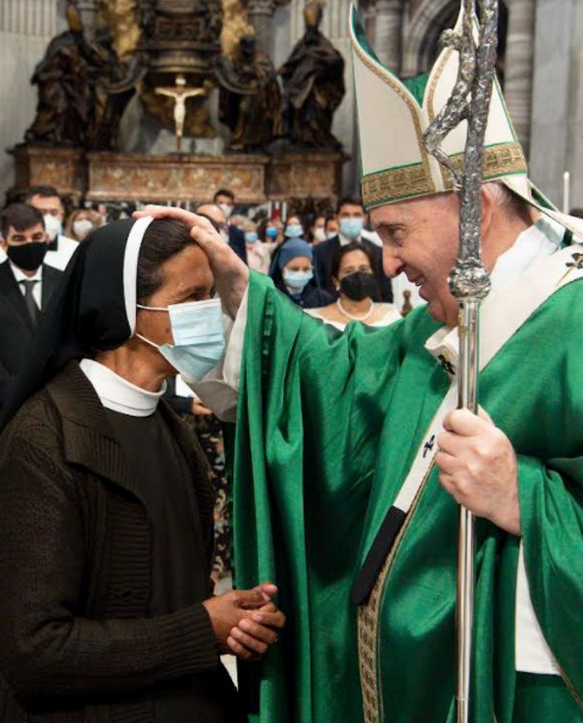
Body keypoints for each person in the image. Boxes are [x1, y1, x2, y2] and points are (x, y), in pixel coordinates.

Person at [134, 4, 583, 720]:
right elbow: (336, 377)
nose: (391, 262)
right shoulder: (440, 326)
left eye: (395, 231)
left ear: (474, 207)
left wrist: (524, 498)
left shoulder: (574, 318)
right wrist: (240, 295)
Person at [0, 216, 285, 723]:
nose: (210, 312)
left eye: (211, 294)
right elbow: (35, 652)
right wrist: (201, 629)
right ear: (126, 309)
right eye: (192, 297)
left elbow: (172, 595)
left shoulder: (170, 427)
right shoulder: (42, 441)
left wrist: (231, 621)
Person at [0, 204, 62, 408]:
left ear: (46, 237)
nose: (29, 244)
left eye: (36, 237)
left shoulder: (64, 282)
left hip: (59, 398)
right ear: (4, 244)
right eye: (19, 239)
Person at [314, 196, 393, 301]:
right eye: (345, 215)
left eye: (357, 215)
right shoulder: (320, 252)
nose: (351, 219)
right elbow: (318, 289)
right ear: (337, 218)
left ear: (365, 218)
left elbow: (385, 294)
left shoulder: (377, 252)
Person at [308, 242, 401, 330]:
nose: (358, 275)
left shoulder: (391, 314)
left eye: (364, 269)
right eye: (349, 271)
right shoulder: (318, 320)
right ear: (336, 280)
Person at [24, 185, 78, 270]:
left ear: (62, 214)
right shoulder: (9, 248)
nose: (48, 218)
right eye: (41, 213)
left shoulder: (73, 250)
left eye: (54, 213)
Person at [270, 237, 333, 309]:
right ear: (282, 268)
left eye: (306, 269)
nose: (301, 273)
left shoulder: (324, 299)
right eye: (294, 269)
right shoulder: (270, 298)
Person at [213, 189, 247, 264]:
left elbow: (243, 261)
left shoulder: (238, 232)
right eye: (220, 203)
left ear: (232, 207)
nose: (224, 206)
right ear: (214, 204)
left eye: (228, 204)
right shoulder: (207, 226)